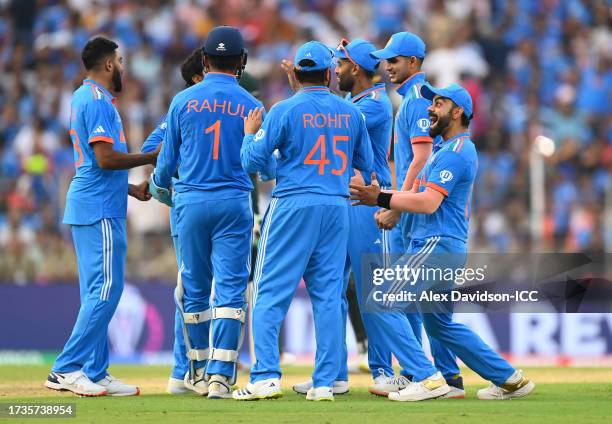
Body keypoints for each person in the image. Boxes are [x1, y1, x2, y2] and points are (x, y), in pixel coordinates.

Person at [350, 83, 535, 401]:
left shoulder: (456, 153)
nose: (430, 109)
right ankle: (510, 378)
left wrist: (380, 197)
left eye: (438, 103)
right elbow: (418, 197)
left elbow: (429, 203)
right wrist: (385, 200)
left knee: (381, 298)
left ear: (458, 111)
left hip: (436, 245)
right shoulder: (445, 152)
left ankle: (427, 379)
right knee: (440, 327)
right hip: (442, 247)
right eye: (430, 103)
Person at [233, 41, 373, 402]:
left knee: (268, 292)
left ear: (295, 73)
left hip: (293, 204)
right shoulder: (351, 113)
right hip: (337, 205)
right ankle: (325, 381)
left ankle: (264, 375)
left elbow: (252, 162)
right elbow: (366, 166)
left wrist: (249, 134)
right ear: (329, 74)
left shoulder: (283, 111)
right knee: (328, 296)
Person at [150, 26, 262, 399]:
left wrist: (159, 187)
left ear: (204, 59)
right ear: (241, 62)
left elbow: (165, 166)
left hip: (192, 204)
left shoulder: (183, 101)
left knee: (194, 291)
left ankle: (196, 371)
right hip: (234, 203)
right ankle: (220, 376)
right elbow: (259, 164)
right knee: (230, 292)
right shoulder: (251, 105)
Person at [45, 36, 157, 397]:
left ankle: (96, 370)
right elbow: (106, 159)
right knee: (108, 289)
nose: (123, 67)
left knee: (96, 292)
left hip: (94, 201)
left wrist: (130, 189)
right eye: (120, 61)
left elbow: (95, 165)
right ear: (109, 64)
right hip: (99, 211)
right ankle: (66, 368)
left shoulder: (87, 97)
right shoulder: (96, 101)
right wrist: (149, 156)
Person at [289, 38, 393, 396]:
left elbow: (326, 125)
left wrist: (304, 95)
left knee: (371, 289)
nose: (335, 71)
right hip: (346, 200)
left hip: (367, 203)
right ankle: (332, 373)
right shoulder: (353, 103)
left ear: (357, 70)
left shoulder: (373, 106)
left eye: (342, 65)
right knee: (331, 289)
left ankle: (382, 370)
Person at [370, 32, 463, 397]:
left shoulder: (415, 101)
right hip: (426, 209)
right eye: (386, 61)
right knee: (428, 300)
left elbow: (422, 158)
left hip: (416, 211)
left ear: (413, 63)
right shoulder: (422, 99)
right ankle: (445, 376)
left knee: (402, 294)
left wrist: (394, 202)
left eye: (394, 60)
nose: (387, 67)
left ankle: (417, 373)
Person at [139, 47, 204, 395]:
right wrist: (178, 176)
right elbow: (154, 148)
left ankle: (197, 368)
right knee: (192, 289)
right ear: (197, 77)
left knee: (204, 289)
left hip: (201, 205)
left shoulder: (219, 105)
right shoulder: (184, 106)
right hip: (189, 205)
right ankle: (184, 371)